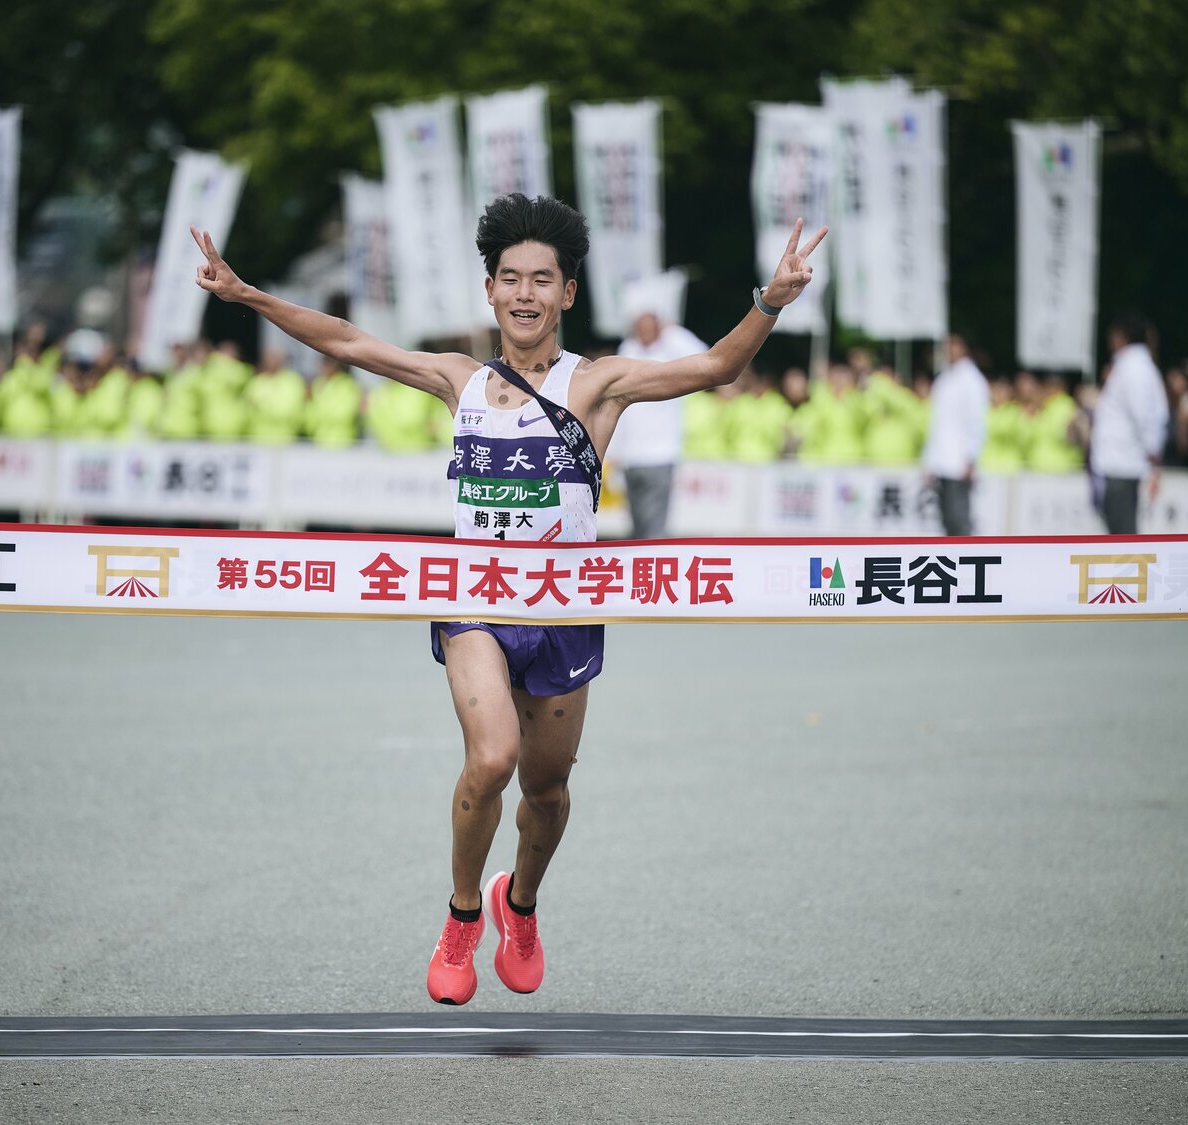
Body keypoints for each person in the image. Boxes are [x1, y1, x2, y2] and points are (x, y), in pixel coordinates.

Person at [191, 194, 824, 1005]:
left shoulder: (598, 385)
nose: (525, 294)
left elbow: (715, 369)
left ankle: (516, 903)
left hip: (563, 611)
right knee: (490, 757)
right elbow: (348, 341)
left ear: (567, 293)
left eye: (542, 280)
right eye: (510, 279)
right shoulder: (457, 378)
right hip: (474, 605)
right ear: (488, 290)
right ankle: (461, 916)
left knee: (547, 790)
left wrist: (770, 299)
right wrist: (248, 296)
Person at [610, 277, 708, 538]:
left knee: (653, 530)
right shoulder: (627, 349)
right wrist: (616, 450)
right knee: (636, 526)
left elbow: (704, 358)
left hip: (660, 454)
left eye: (648, 321)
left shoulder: (670, 349)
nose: (643, 328)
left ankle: (651, 577)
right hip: (631, 457)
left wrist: (671, 332)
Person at [1090, 313, 1169, 534]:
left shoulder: (1134, 369)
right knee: (1118, 531)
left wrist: (1153, 455)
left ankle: (1129, 570)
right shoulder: (1133, 366)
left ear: (1122, 336)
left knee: (1123, 536)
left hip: (1122, 463)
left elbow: (1145, 417)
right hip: (1119, 462)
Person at [921, 332, 989, 535]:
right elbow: (936, 425)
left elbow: (976, 421)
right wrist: (929, 461)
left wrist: (971, 457)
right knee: (946, 520)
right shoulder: (944, 378)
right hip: (942, 460)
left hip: (958, 462)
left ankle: (967, 562)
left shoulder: (972, 380)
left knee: (959, 519)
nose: (949, 349)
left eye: (954, 344)